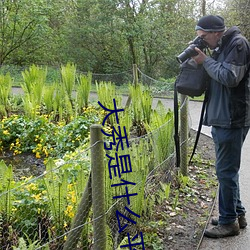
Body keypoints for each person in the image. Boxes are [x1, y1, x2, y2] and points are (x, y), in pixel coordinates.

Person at [192, 15, 250, 238]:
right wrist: (202, 60)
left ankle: (228, 223)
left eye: (204, 37)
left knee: (225, 171)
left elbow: (229, 77)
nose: (203, 41)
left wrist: (205, 61)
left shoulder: (238, 44)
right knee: (227, 171)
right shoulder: (221, 46)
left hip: (232, 118)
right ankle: (237, 214)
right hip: (222, 117)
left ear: (216, 32)